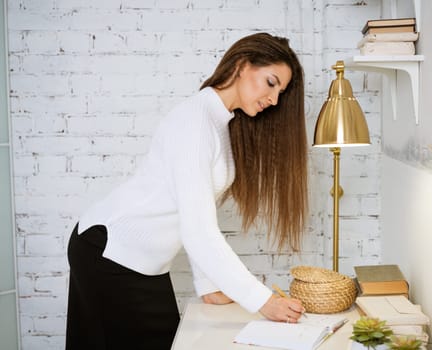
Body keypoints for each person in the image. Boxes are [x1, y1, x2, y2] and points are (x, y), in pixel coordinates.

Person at [65, 32, 309, 349]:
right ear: (242, 65)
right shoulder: (194, 121)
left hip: (144, 265)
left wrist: (207, 284)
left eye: (281, 91)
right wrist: (262, 301)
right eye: (271, 82)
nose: (274, 100)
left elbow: (194, 213)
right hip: (109, 251)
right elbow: (198, 231)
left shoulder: (220, 122)